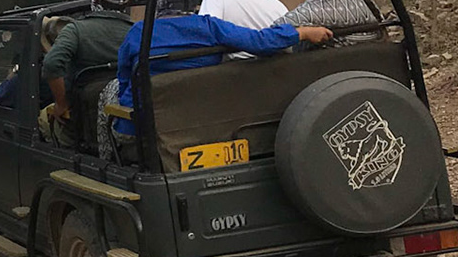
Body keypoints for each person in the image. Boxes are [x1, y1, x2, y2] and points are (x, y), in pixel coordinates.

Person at [104, 13, 334, 158]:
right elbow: (261, 42)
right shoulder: (208, 26)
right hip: (198, 126)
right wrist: (302, 32)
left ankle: (107, 160)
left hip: (141, 132)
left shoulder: (138, 32)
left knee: (109, 94)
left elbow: (124, 80)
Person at [39, 0, 134, 143]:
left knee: (44, 120)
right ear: (127, 2)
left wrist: (61, 103)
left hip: (80, 120)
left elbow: (51, 64)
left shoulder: (76, 29)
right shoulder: (136, 32)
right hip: (124, 118)